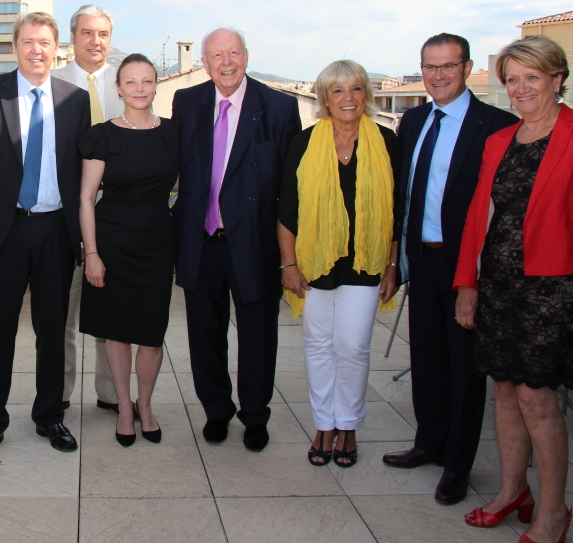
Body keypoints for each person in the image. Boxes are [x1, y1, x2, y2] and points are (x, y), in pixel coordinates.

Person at [382, 33, 518, 505]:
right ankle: (429, 442)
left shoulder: (496, 124)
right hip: (423, 257)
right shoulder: (414, 120)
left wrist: (476, 280)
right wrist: (396, 259)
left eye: (447, 66)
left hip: (468, 264)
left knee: (465, 368)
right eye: (429, 67)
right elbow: (405, 196)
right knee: (427, 360)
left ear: (466, 67)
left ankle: (458, 464)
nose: (438, 76)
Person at [454, 35, 573, 543]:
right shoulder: (499, 141)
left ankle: (553, 512)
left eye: (532, 77)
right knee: (502, 390)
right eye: (512, 79)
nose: (521, 88)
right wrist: (467, 285)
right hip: (499, 284)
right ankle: (511, 491)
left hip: (554, 289)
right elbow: (477, 220)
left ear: (557, 80)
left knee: (536, 398)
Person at [0, 12, 90, 461]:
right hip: (5, 232)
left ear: (58, 48)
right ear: (14, 47)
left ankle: (49, 416)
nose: (37, 50)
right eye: (28, 41)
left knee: (54, 331)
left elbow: (79, 167)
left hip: (56, 230)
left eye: (45, 42)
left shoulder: (75, 99)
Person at [171, 26, 301, 450]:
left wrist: (288, 257)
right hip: (201, 239)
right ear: (204, 64)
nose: (226, 62)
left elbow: (288, 187)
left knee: (258, 336)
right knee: (204, 335)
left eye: (233, 53)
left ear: (246, 55)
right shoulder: (186, 102)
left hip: (254, 243)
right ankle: (216, 410)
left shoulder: (279, 107)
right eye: (216, 56)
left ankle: (255, 415)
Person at [277, 60, 401, 468]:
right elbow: (287, 211)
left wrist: (391, 265)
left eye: (355, 89)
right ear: (324, 98)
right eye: (337, 90)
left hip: (366, 263)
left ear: (367, 94)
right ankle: (323, 424)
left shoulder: (386, 141)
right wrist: (288, 264)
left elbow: (398, 210)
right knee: (318, 346)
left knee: (352, 345)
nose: (347, 98)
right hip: (313, 263)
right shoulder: (304, 142)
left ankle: (347, 424)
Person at [79, 53, 177, 446]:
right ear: (118, 88)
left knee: (152, 334)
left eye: (147, 81)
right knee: (117, 331)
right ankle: (123, 406)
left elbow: (182, 185)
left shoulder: (174, 132)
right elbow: (86, 198)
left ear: (156, 86)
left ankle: (146, 405)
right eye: (131, 82)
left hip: (157, 243)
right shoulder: (103, 135)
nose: (139, 89)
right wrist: (92, 254)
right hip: (113, 242)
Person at [52, 4, 121, 414]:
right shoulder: (53, 83)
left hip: (113, 217)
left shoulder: (127, 81)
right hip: (64, 218)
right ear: (73, 38)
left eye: (104, 33)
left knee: (110, 312)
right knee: (62, 313)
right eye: (87, 33)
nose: (96, 41)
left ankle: (110, 393)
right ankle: (58, 393)